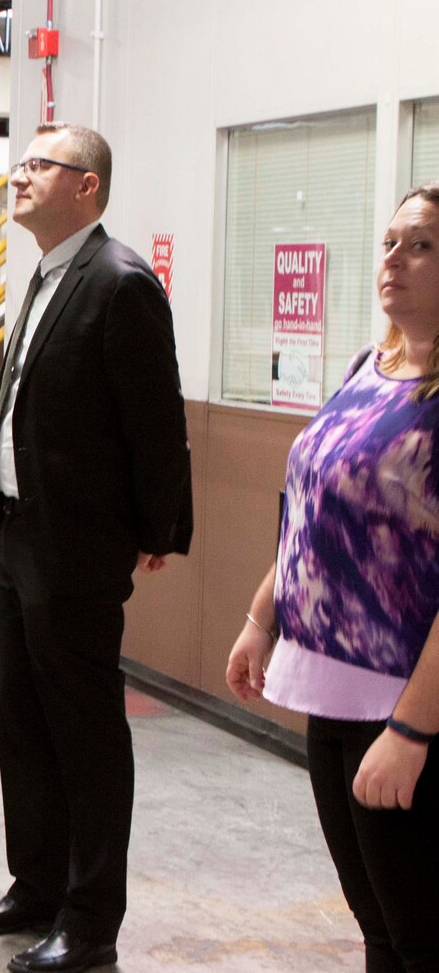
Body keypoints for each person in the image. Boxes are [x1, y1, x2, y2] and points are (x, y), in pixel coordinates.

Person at [0, 122, 193, 973]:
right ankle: (36, 885)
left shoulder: (120, 281)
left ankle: (91, 924)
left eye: (37, 166)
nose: (18, 176)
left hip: (76, 544)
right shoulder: (47, 275)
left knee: (84, 734)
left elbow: (155, 420)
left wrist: (155, 530)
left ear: (85, 186)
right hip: (17, 533)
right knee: (21, 719)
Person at [227, 185, 439, 973]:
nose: (394, 259)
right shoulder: (367, 368)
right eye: (389, 242)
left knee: (419, 932)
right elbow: (311, 516)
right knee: (378, 926)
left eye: (420, 244)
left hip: (405, 700)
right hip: (330, 690)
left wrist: (414, 732)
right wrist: (263, 618)